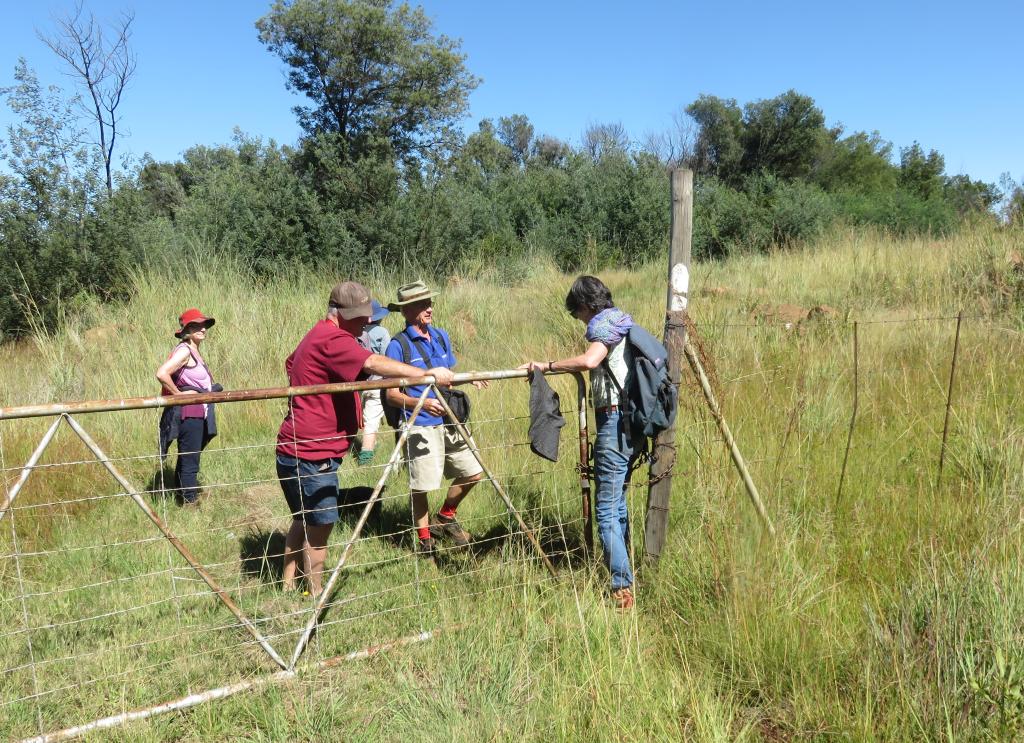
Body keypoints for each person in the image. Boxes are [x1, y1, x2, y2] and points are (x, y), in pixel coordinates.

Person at [277, 281, 454, 597]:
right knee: (319, 527)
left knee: (302, 520)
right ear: (339, 313)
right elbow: (372, 363)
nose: (367, 322)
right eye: (360, 316)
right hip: (313, 450)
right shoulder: (333, 339)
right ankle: (315, 595)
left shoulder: (318, 334)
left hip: (298, 444)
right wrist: (426, 375)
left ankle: (288, 585)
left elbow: (290, 363)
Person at [520, 276, 637, 610]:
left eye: (579, 314)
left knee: (605, 511)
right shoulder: (624, 320)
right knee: (616, 504)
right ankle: (627, 574)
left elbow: (589, 361)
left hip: (614, 421)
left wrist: (547, 366)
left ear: (587, 305)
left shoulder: (604, 325)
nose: (581, 320)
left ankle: (621, 588)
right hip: (627, 422)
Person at [384, 280, 488, 557]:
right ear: (406, 311)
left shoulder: (441, 336)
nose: (429, 308)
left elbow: (448, 379)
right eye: (421, 304)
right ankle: (424, 540)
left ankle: (446, 516)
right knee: (422, 484)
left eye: (429, 302)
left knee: (474, 471)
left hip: (450, 421)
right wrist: (421, 403)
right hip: (419, 423)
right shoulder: (397, 346)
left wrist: (469, 378)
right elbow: (391, 395)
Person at [156, 308, 219, 506]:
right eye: (197, 325)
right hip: (189, 411)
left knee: (187, 457)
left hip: (195, 410)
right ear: (187, 329)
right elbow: (162, 373)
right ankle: (190, 504)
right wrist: (179, 395)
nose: (203, 329)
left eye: (204, 325)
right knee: (191, 460)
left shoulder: (192, 350)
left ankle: (180, 497)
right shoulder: (184, 350)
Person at [356, 300, 392, 466]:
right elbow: (386, 358)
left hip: (358, 382)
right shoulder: (382, 333)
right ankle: (365, 456)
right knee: (371, 420)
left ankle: (347, 445)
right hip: (377, 383)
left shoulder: (356, 332)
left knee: (358, 415)